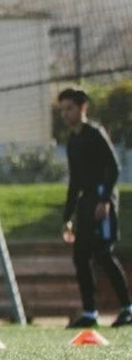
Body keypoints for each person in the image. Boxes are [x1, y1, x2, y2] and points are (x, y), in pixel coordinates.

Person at [58, 87, 132, 328]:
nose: (65, 114)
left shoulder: (95, 134)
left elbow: (114, 168)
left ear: (82, 108)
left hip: (102, 198)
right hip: (86, 202)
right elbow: (75, 182)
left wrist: (105, 201)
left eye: (70, 108)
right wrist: (67, 218)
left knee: (103, 254)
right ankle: (90, 313)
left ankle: (127, 309)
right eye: (63, 110)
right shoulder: (73, 142)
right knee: (80, 256)